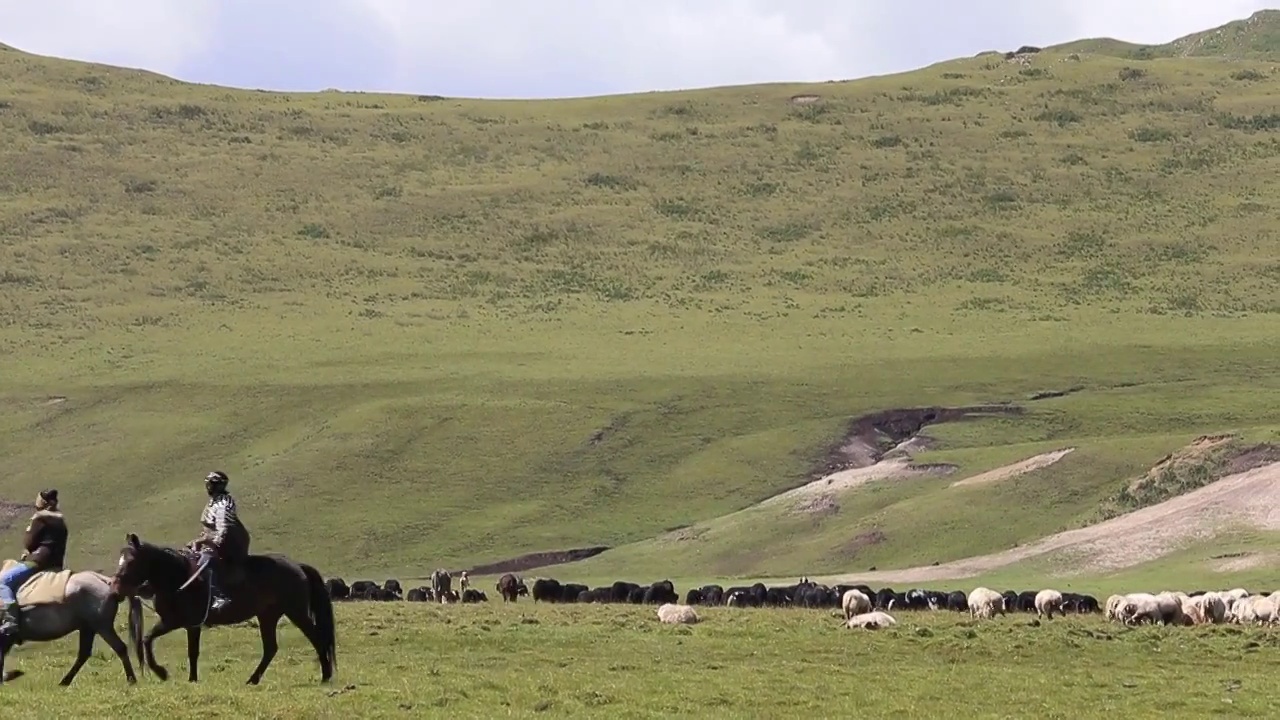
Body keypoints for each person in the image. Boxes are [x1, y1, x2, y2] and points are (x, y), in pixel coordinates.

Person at [0, 489, 68, 638]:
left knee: (3, 581)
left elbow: (29, 543)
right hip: (56, 563)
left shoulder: (39, 518)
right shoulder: (61, 520)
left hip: (38, 561)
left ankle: (10, 620)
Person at [188, 471, 250, 612]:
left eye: (211, 484)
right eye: (208, 484)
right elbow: (209, 527)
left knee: (206, 561)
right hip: (212, 540)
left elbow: (223, 528)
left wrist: (210, 543)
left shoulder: (223, 503)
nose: (208, 487)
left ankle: (219, 596)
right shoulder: (213, 501)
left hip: (229, 543)